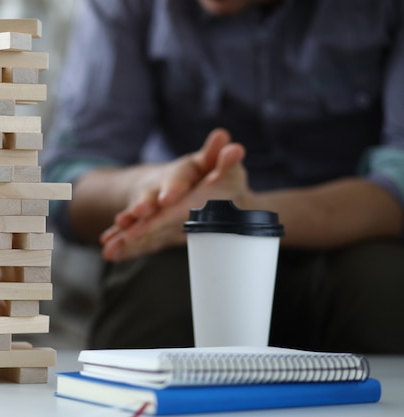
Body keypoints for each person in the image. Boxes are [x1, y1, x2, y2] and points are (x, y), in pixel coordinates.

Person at [43, 0, 404, 353]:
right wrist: (148, 190)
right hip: (185, 242)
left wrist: (243, 213)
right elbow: (66, 181)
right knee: (152, 276)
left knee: (381, 281)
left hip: (353, 244)